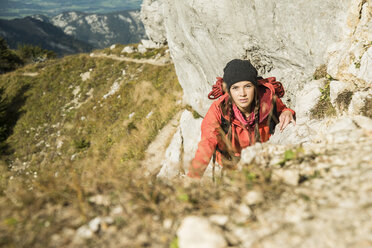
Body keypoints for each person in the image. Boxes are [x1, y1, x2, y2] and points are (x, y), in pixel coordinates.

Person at [188, 59, 296, 178]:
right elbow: (207, 143)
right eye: (235, 88)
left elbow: (283, 109)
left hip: (262, 158)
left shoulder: (268, 100)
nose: (242, 93)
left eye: (247, 86)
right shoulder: (219, 109)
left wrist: (286, 112)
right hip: (230, 163)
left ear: (255, 87)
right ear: (229, 91)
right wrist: (193, 177)